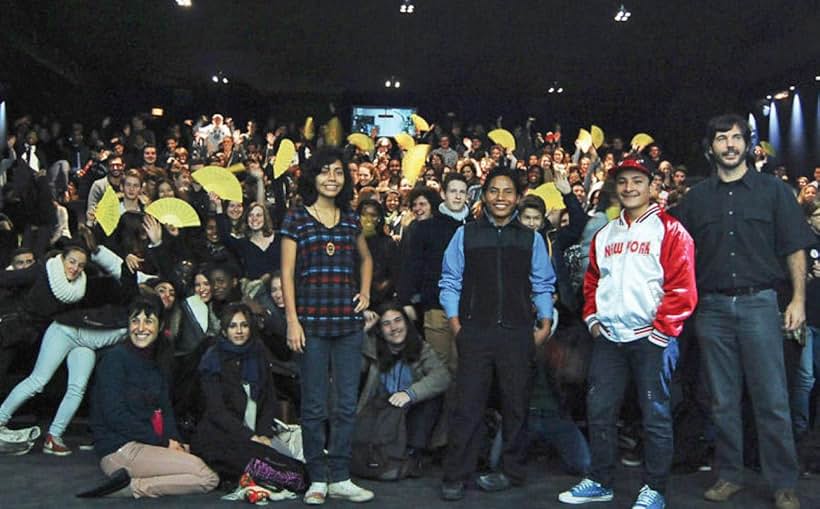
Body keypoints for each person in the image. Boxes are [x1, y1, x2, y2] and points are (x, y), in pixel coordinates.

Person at [673, 114, 815, 509]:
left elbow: (794, 248)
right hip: (712, 308)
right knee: (721, 400)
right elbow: (677, 255)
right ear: (710, 147)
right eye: (722, 139)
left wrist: (799, 300)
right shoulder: (696, 198)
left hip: (760, 304)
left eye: (737, 138)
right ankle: (730, 475)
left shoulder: (774, 192)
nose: (730, 145)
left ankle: (783, 482)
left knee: (771, 398)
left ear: (748, 145)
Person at [559, 157, 697, 509]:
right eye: (623, 182)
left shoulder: (669, 229)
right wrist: (592, 320)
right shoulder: (605, 234)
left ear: (652, 186)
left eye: (637, 181)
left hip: (651, 337)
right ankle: (601, 480)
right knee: (600, 409)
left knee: (655, 415)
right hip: (610, 339)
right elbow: (591, 282)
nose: (629, 188)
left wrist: (662, 332)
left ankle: (655, 488)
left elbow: (682, 286)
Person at [438, 168, 555, 501]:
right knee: (467, 406)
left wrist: (545, 322)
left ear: (517, 198)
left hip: (518, 333)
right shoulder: (466, 235)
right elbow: (449, 281)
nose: (500, 197)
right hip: (475, 331)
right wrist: (455, 323)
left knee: (517, 406)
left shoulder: (531, 238)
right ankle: (456, 475)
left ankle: (511, 471)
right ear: (484, 195)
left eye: (507, 192)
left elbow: (543, 283)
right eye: (494, 191)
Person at [280, 148, 375, 504]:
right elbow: (286, 274)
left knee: (346, 405)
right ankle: (317, 477)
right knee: (315, 405)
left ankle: (341, 476)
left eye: (338, 172)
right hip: (311, 324)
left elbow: (366, 260)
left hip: (348, 325)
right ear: (312, 177)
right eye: (324, 172)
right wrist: (292, 320)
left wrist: (365, 292)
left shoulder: (350, 220)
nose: (332, 178)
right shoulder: (296, 219)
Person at [86, 295, 219, 498]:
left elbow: (165, 411)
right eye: (135, 320)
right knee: (206, 476)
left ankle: (134, 483)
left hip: (149, 445)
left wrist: (175, 441)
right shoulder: (114, 359)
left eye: (148, 321)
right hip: (120, 450)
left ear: (160, 326)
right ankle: (133, 488)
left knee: (205, 462)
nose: (141, 328)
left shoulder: (158, 362)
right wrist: (165, 443)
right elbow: (115, 416)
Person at [191, 302, 298, 480]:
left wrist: (263, 434)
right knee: (268, 470)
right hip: (222, 436)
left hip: (257, 433)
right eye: (233, 326)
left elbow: (269, 399)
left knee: (290, 464)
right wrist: (251, 437)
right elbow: (217, 411)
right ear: (224, 331)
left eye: (244, 325)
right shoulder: (212, 359)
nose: (239, 331)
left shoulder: (258, 353)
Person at [358, 303, 451, 468]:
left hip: (408, 414)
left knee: (433, 398)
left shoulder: (421, 347)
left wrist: (410, 394)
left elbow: (442, 376)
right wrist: (362, 333)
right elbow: (349, 370)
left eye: (398, 320)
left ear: (406, 323)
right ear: (379, 330)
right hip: (378, 414)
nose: (394, 328)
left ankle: (412, 455)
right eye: (386, 324)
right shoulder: (371, 348)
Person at [398, 173, 471, 373]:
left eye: (462, 192)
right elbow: (411, 265)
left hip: (468, 309)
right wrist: (406, 300)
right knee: (438, 368)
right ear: (444, 194)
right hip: (436, 306)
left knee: (462, 367)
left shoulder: (475, 226)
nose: (457, 196)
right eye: (453, 191)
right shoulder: (426, 227)